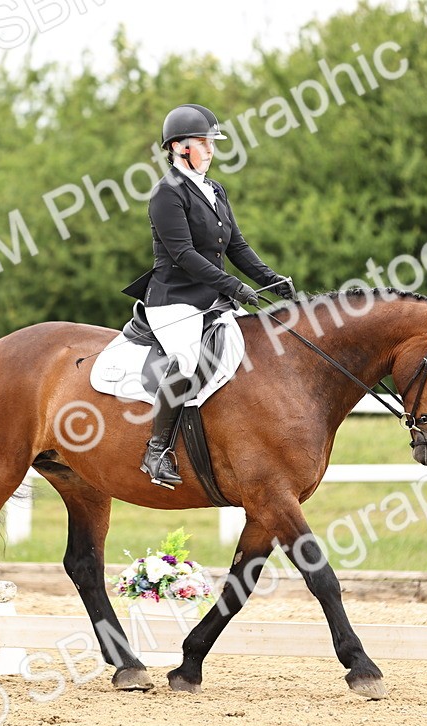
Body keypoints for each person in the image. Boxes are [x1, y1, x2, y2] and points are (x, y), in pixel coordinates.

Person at [122, 103, 295, 489]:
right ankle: (156, 451)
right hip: (174, 300)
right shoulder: (166, 194)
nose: (211, 149)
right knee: (185, 360)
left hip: (211, 300)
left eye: (211, 142)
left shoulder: (215, 190)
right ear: (179, 147)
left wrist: (270, 279)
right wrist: (234, 286)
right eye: (203, 142)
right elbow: (184, 255)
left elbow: (236, 246)